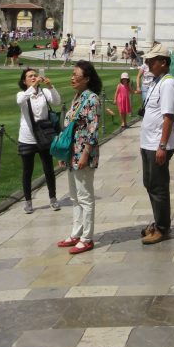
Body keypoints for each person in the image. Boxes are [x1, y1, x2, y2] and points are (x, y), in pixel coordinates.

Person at [56, 60, 102, 254]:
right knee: (75, 196)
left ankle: (87, 237)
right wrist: (64, 153)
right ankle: (76, 232)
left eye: (77, 75)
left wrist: (85, 154)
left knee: (85, 196)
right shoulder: (78, 97)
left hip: (83, 153)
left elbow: (92, 130)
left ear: (87, 79)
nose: (72, 78)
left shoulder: (91, 99)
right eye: (72, 75)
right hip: (72, 153)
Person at [139, 43, 174, 245]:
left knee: (158, 186)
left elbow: (168, 117)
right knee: (150, 184)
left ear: (163, 63)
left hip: (158, 144)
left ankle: (162, 228)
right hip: (148, 143)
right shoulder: (156, 81)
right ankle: (158, 221)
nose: (148, 64)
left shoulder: (168, 84)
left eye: (151, 61)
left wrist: (162, 146)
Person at [16, 68, 62, 214]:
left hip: (43, 136)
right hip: (27, 137)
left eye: (35, 75)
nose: (34, 77)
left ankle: (53, 198)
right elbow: (20, 101)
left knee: (48, 169)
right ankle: (28, 202)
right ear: (24, 81)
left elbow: (57, 101)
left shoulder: (44, 92)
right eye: (30, 76)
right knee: (27, 171)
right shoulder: (23, 94)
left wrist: (50, 86)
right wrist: (32, 87)